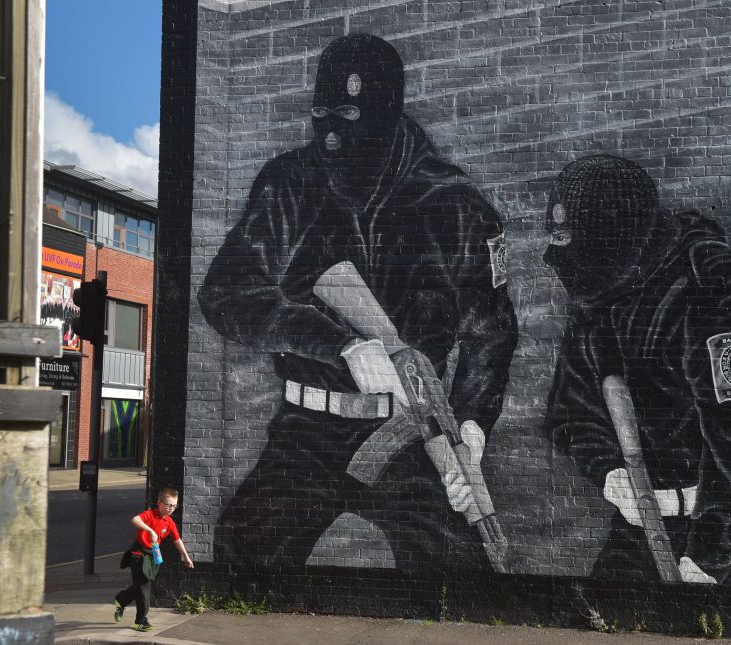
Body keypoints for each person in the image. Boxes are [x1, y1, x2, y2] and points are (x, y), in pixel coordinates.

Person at [198, 33, 518, 572]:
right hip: (306, 431)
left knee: (461, 571)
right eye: (320, 112)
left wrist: (469, 428)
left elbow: (492, 330)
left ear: (388, 110)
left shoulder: (455, 202)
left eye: (347, 112)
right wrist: (340, 345)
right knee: (240, 549)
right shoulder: (289, 184)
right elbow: (225, 294)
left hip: (415, 432)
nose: (329, 133)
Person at [542, 154, 731, 584]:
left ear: (615, 241)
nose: (558, 264)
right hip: (647, 519)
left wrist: (707, 559)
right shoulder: (601, 291)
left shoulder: (713, 299)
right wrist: (611, 475)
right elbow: (570, 408)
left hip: (729, 533)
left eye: (580, 247)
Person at [113, 487, 194, 632]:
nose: (171, 508)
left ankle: (121, 599)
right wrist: (149, 530)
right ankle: (140, 621)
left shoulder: (169, 522)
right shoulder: (149, 514)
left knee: (141, 585)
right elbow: (135, 519)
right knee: (144, 587)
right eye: (168, 504)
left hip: (152, 556)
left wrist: (186, 557)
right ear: (159, 502)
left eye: (174, 505)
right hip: (138, 555)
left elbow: (177, 540)